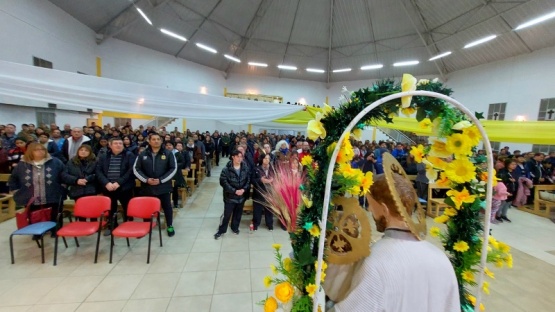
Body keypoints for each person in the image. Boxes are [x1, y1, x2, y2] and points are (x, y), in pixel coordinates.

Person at [330, 164, 459, 311]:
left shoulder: (377, 262)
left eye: (371, 205)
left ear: (384, 209)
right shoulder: (441, 258)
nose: (369, 210)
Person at [8, 142, 65, 227]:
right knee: (34, 214)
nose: (40, 151)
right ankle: (37, 232)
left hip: (53, 193)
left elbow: (64, 174)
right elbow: (13, 178)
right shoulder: (22, 164)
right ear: (30, 151)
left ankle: (55, 230)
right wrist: (16, 190)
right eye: (36, 150)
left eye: (42, 149)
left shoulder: (55, 162)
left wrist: (63, 186)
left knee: (55, 212)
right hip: (30, 195)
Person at [134, 133, 177, 237]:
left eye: (158, 139)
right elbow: (136, 168)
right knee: (147, 207)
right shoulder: (143, 154)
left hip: (163, 186)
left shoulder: (168, 153)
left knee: (167, 207)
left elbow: (173, 168)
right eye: (153, 139)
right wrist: (146, 179)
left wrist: (161, 180)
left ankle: (170, 225)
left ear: (161, 141)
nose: (156, 141)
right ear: (149, 141)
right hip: (147, 186)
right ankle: (146, 226)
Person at [96, 137, 136, 236]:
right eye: (116, 143)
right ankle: (112, 225)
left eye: (120, 143)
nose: (118, 145)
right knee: (110, 207)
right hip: (108, 186)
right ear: (110, 145)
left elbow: (131, 171)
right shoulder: (104, 156)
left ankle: (129, 224)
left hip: (124, 186)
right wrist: (106, 183)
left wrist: (119, 182)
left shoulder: (129, 155)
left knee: (127, 207)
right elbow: (98, 171)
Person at [214, 149, 250, 239]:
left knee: (238, 214)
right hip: (230, 196)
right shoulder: (226, 169)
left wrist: (243, 189)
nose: (239, 158)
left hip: (241, 196)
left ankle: (235, 228)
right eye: (237, 156)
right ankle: (221, 230)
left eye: (241, 157)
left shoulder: (245, 168)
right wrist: (234, 191)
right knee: (227, 215)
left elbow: (248, 180)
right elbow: (223, 182)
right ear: (233, 157)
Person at [252, 153, 275, 231]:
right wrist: (260, 180)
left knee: (269, 210)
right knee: (257, 210)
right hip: (259, 193)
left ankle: (269, 224)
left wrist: (272, 180)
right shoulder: (256, 169)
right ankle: (256, 224)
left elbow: (277, 179)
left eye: (268, 158)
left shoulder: (273, 169)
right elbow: (252, 180)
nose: (267, 160)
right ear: (261, 159)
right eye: (265, 158)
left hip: (270, 192)